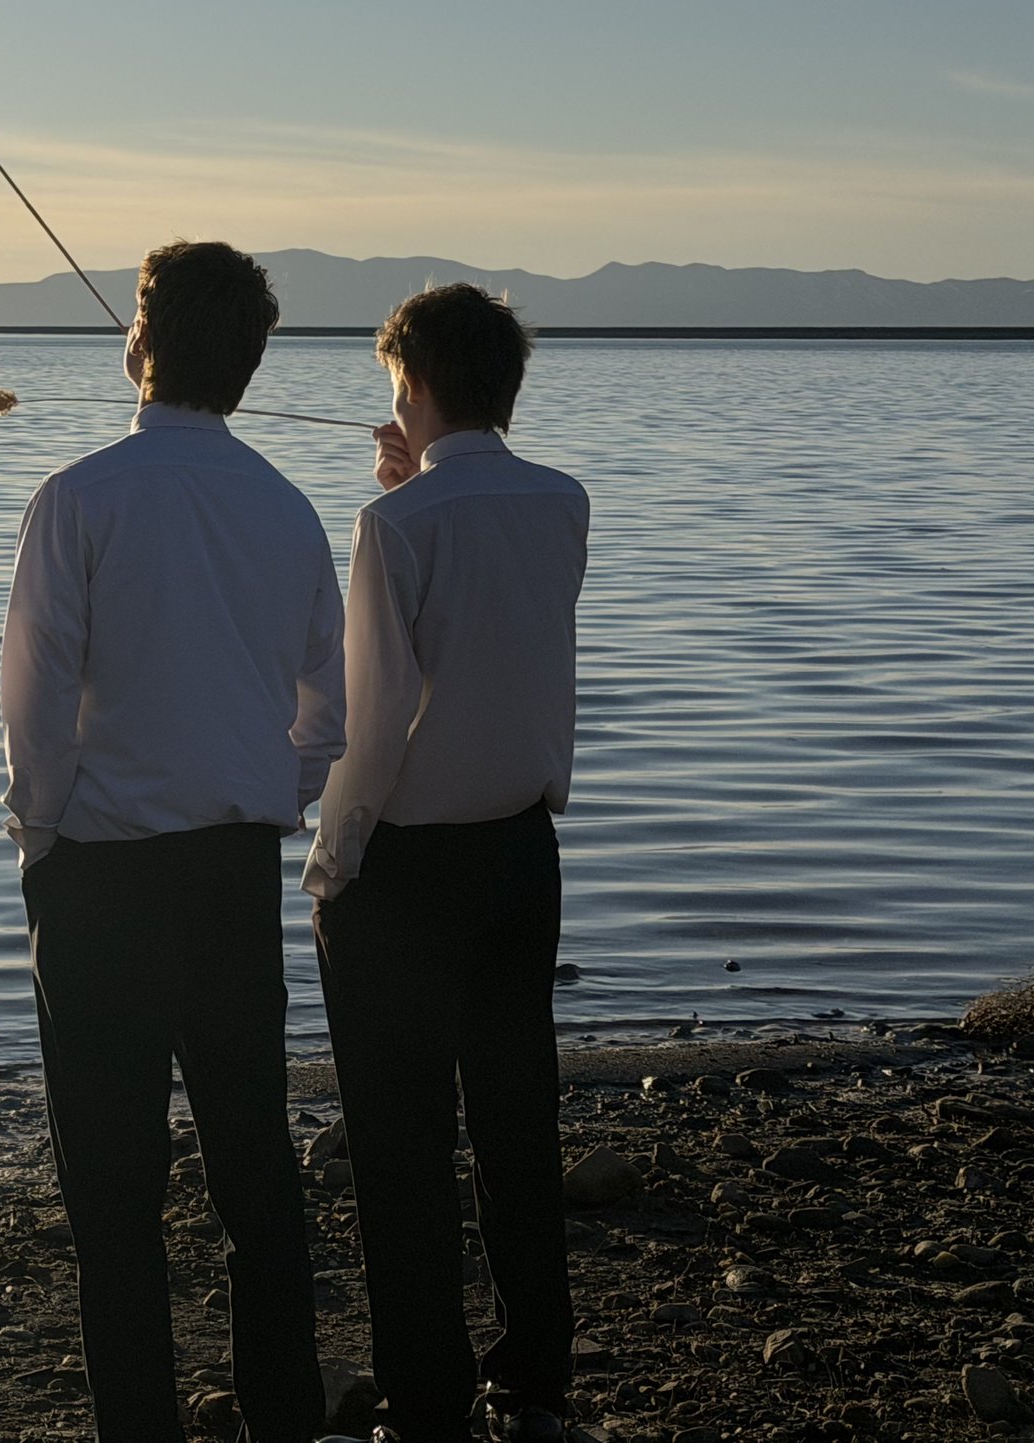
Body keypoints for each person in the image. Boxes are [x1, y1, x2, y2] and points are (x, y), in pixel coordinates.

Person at [3, 240, 345, 1443]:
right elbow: (327, 714)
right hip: (233, 873)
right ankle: (283, 1416)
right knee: (255, 1164)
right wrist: (267, 796)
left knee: (112, 1190)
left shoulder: (77, 498)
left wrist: (39, 838)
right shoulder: (287, 508)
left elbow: (37, 707)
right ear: (248, 363)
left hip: (99, 875)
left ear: (140, 342)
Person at [303, 284, 589, 1443]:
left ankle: (424, 1401)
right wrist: (415, 478)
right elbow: (496, 630)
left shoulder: (393, 528)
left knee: (400, 1138)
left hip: (410, 867)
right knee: (517, 1122)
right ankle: (533, 1380)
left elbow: (374, 721)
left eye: (394, 388)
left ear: (413, 384)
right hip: (523, 848)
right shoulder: (561, 500)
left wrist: (334, 855)